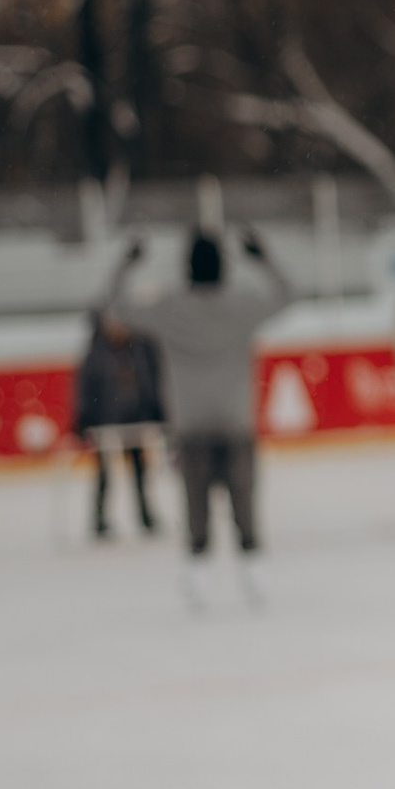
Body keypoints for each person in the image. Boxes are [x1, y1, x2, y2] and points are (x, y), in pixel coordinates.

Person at [113, 224, 299, 599]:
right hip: (235, 422)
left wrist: (126, 264)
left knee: (195, 503)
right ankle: (253, 569)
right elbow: (288, 296)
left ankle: (197, 572)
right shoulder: (241, 306)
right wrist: (264, 259)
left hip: (190, 423)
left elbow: (118, 308)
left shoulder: (170, 308)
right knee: (243, 501)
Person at [71, 304, 165, 536]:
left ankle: (146, 516)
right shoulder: (95, 355)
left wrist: (158, 412)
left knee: (141, 472)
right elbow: (85, 390)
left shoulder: (141, 349)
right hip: (106, 423)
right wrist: (83, 420)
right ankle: (100, 518)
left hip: (137, 420)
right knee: (104, 474)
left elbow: (153, 384)